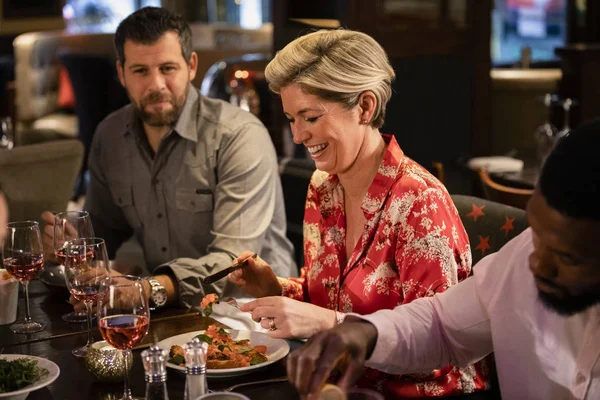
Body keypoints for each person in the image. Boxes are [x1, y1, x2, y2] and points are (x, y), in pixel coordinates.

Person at [228, 29, 489, 397]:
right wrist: (278, 289)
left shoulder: (419, 202)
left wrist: (328, 323)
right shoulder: (322, 186)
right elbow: (329, 298)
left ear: (365, 107)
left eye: (311, 117)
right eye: (291, 118)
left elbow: (438, 347)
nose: (299, 135)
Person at [287, 120, 600, 400]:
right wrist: (364, 333)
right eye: (535, 232)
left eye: (566, 257)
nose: (536, 265)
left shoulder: (418, 197)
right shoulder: (524, 257)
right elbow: (442, 325)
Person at [40, 7, 296, 310]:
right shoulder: (109, 136)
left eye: (168, 68)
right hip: (166, 309)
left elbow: (234, 264)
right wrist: (70, 245)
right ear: (121, 73)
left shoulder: (238, 136)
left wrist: (146, 290)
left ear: (191, 66)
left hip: (253, 314)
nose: (156, 85)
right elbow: (102, 236)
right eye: (140, 71)